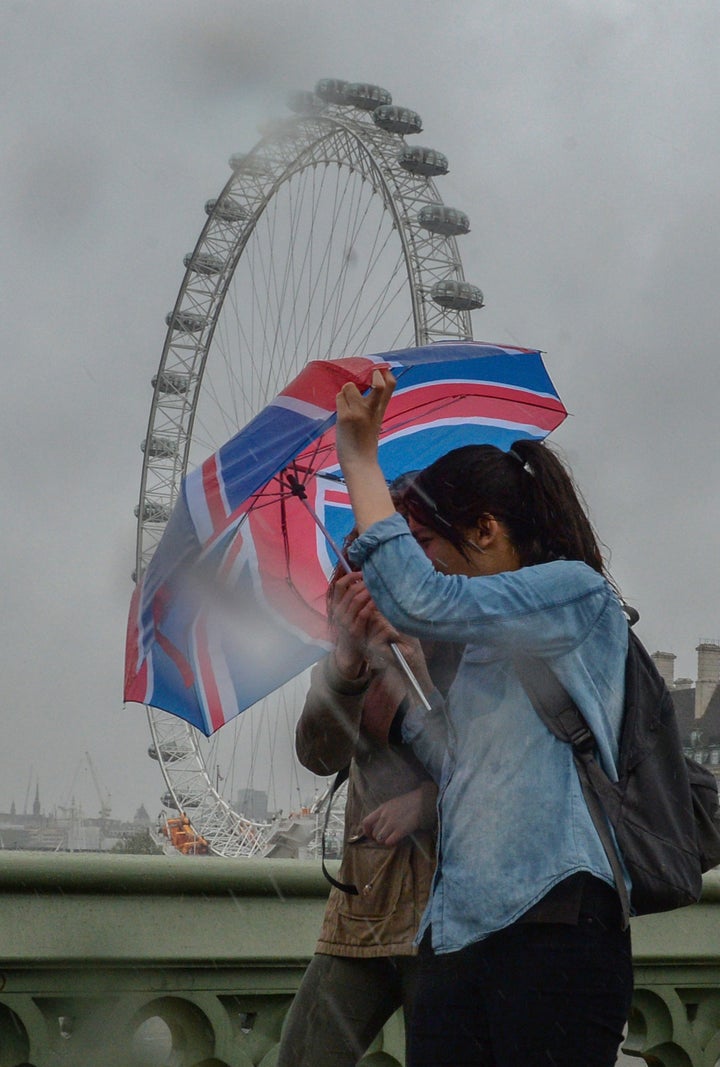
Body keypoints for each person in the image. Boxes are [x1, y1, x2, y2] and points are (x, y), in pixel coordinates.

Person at [333, 368, 634, 1067]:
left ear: (487, 529)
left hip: (555, 924)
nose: (425, 562)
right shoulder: (481, 649)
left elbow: (422, 598)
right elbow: (463, 769)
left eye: (429, 543)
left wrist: (359, 459)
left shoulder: (575, 596)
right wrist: (394, 671)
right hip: (460, 931)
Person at [276, 532, 461, 1067]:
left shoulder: (473, 642)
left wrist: (427, 804)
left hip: (452, 904)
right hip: (367, 898)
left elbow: (500, 768)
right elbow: (318, 753)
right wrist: (347, 666)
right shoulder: (352, 658)